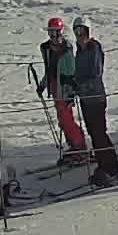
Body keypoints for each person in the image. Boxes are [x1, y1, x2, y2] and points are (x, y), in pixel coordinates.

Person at [70, 18, 118, 186]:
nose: (80, 36)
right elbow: (80, 72)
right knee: (93, 134)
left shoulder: (93, 47)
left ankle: (112, 166)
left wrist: (81, 84)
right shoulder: (79, 50)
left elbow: (95, 72)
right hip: (85, 98)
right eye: (77, 32)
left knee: (99, 133)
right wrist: (74, 83)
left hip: (95, 97)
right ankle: (104, 165)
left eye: (83, 32)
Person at [37, 18, 89, 163]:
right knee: (62, 120)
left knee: (67, 120)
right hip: (55, 88)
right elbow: (50, 70)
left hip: (65, 89)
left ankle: (81, 147)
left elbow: (72, 72)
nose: (53, 37)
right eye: (50, 33)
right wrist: (43, 84)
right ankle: (73, 145)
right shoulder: (47, 49)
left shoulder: (67, 49)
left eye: (55, 33)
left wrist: (72, 91)